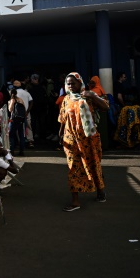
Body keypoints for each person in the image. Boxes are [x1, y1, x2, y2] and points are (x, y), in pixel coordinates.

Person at [58, 72, 109, 211]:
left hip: (89, 140)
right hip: (71, 139)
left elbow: (105, 107)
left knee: (93, 164)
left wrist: (92, 95)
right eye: (68, 83)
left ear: (80, 83)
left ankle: (100, 190)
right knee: (73, 168)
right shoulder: (66, 99)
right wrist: (61, 133)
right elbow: (63, 118)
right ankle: (75, 201)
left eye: (73, 83)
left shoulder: (89, 97)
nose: (70, 86)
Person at [13, 80, 34, 148]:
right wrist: (27, 111)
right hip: (26, 113)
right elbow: (31, 101)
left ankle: (20, 142)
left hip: (18, 113)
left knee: (17, 127)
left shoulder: (14, 93)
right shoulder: (26, 93)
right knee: (28, 126)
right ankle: (30, 141)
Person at [7, 88, 28, 156]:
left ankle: (12, 151)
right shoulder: (20, 100)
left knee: (11, 135)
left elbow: (10, 110)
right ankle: (21, 151)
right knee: (21, 135)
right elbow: (24, 110)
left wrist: (10, 103)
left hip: (14, 120)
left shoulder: (12, 100)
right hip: (21, 120)